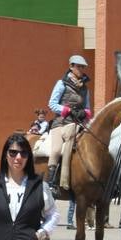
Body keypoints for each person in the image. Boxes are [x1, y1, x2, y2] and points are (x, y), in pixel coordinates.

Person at [45, 55, 91, 199]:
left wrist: (85, 112)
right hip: (61, 123)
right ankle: (51, 183)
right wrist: (67, 110)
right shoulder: (61, 83)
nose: (81, 69)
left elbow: (88, 107)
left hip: (78, 124)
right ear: (71, 66)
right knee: (57, 150)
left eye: (83, 67)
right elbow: (52, 104)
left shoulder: (85, 88)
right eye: (79, 66)